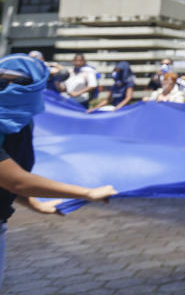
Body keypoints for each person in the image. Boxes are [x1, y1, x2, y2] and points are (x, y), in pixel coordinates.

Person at [0, 54, 117, 289]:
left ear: (35, 88)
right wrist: (87, 192)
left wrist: (37, 205)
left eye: (17, 83)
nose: (6, 90)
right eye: (0, 83)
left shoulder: (22, 125)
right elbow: (17, 181)